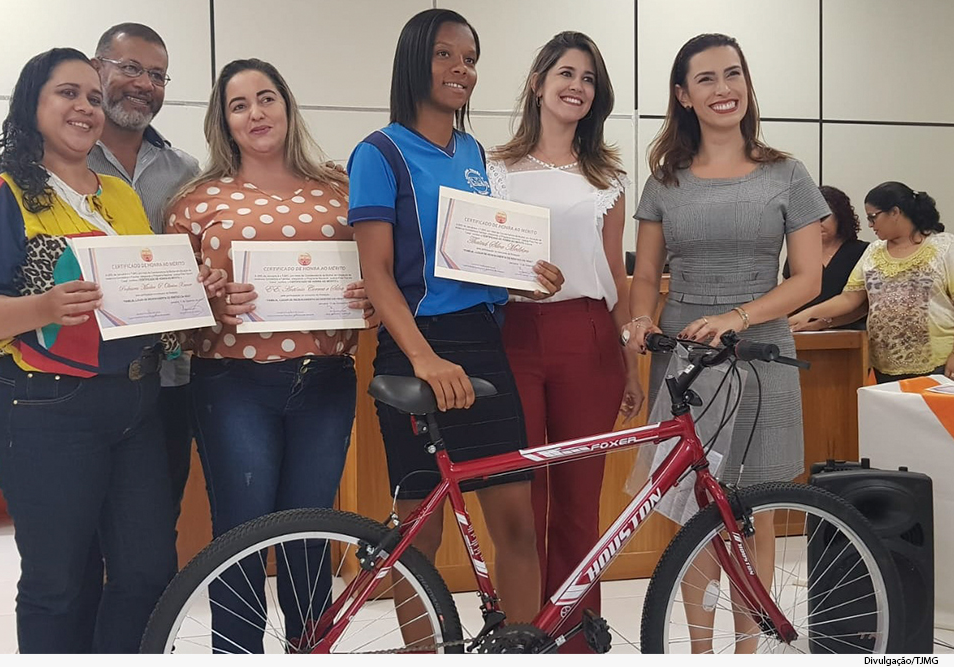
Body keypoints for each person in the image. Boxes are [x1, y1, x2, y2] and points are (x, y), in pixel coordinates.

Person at [0, 47, 220, 654]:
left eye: (92, 97)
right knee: (59, 582)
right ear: (33, 105)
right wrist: (43, 307)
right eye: (66, 93)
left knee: (147, 572)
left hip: (136, 401)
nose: (84, 107)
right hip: (43, 408)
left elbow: (140, 293)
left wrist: (187, 290)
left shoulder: (117, 196)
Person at [347, 8, 564, 628]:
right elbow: (378, 273)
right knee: (420, 538)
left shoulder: (472, 152)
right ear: (415, 59)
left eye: (469, 59)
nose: (461, 69)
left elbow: (473, 255)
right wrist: (422, 356)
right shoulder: (378, 152)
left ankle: (522, 644)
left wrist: (526, 281)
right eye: (445, 55)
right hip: (415, 344)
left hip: (481, 341)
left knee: (516, 525)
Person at [621, 33, 827, 653]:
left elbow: (809, 278)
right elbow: (646, 279)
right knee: (693, 508)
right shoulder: (665, 181)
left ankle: (747, 648)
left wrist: (739, 315)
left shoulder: (788, 173)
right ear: (683, 95)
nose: (723, 89)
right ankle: (700, 650)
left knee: (752, 508)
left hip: (762, 351)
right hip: (685, 353)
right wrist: (637, 323)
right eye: (705, 79)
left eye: (732, 74)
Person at [167, 58, 372, 654]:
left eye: (266, 98)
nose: (255, 113)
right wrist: (204, 301)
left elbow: (382, 276)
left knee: (312, 535)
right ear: (223, 122)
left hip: (326, 381)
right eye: (239, 105)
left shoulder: (341, 190)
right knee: (244, 534)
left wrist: (368, 298)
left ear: (287, 107)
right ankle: (237, 654)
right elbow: (170, 312)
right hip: (233, 384)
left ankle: (311, 650)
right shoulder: (195, 202)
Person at [0, 23, 200, 520]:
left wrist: (199, 288)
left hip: (148, 387)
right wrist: (43, 307)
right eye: (129, 67)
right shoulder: (3, 181)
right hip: (51, 395)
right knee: (65, 572)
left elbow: (166, 269)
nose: (143, 82)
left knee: (146, 561)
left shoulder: (172, 174)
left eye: (157, 75)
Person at [486, 31, 643, 652]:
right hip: (514, 335)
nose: (577, 86)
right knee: (522, 498)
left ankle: (577, 637)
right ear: (538, 83)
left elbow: (618, 278)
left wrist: (630, 365)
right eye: (566, 73)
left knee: (580, 499)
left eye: (588, 78)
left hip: (588, 337)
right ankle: (522, 634)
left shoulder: (607, 177)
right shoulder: (492, 169)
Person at [791, 182, 951, 384]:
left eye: (873, 217)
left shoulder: (944, 247)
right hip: (885, 366)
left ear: (895, 212)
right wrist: (809, 314)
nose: (870, 225)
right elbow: (850, 298)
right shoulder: (874, 251)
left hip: (938, 363)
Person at [783, 185, 869, 329]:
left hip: (850, 333)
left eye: (823, 218)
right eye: (810, 218)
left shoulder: (862, 251)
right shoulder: (799, 252)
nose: (817, 224)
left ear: (840, 217)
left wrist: (821, 323)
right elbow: (788, 298)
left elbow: (863, 305)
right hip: (802, 331)